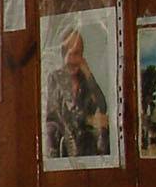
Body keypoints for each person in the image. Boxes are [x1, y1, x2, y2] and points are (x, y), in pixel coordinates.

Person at [44, 24, 111, 160]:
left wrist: (89, 75)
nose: (75, 60)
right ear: (63, 54)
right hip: (64, 136)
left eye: (79, 54)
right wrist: (88, 120)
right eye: (72, 54)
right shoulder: (55, 78)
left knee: (103, 128)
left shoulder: (85, 79)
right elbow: (57, 115)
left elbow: (102, 106)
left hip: (84, 138)